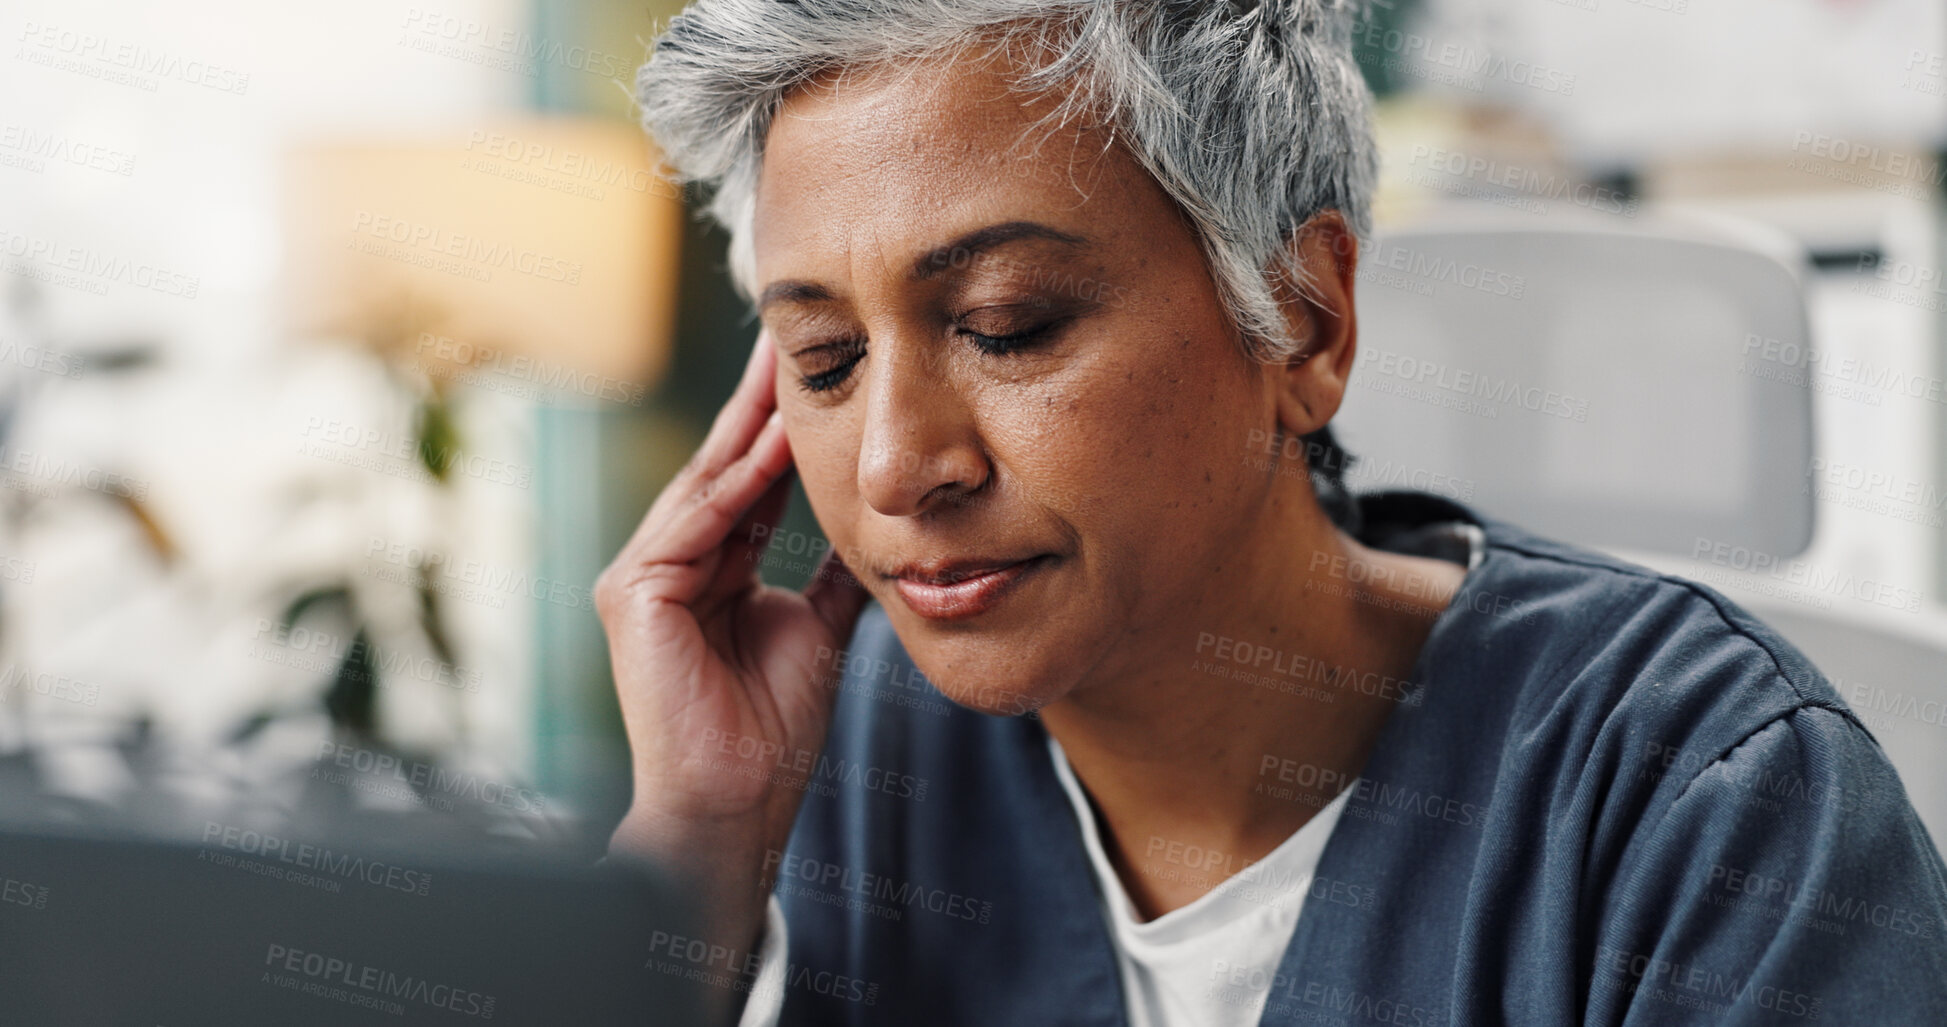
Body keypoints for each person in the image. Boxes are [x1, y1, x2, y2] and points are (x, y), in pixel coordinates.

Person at [597, 1, 1947, 1024]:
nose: (896, 465)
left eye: (1009, 326)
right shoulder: (855, 749)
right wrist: (693, 859)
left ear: (1302, 318)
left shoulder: (1704, 805)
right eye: (826, 362)